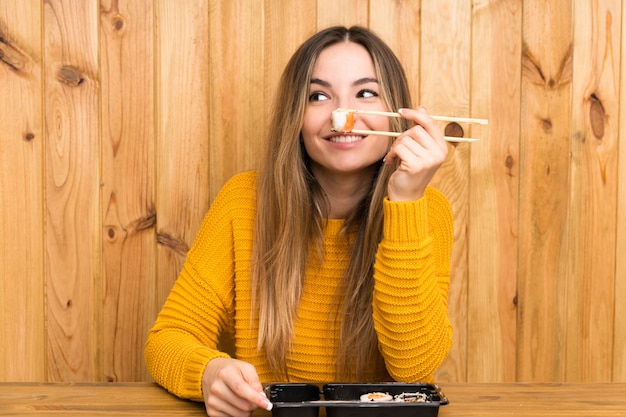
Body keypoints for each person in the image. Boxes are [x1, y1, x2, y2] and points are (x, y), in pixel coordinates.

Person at [145, 25, 454, 417]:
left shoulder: (428, 210)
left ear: (399, 112)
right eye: (319, 96)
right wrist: (209, 372)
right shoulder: (244, 202)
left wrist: (406, 201)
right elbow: (167, 339)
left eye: (366, 93)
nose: (343, 117)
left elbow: (414, 368)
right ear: (297, 114)